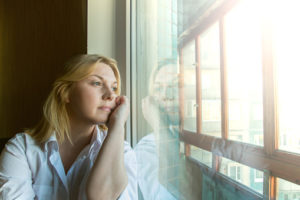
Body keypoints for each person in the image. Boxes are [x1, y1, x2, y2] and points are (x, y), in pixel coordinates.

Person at [0, 54, 137, 200]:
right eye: (97, 83)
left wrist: (117, 126)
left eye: (114, 87)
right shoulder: (21, 149)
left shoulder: (123, 153)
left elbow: (102, 197)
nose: (111, 95)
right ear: (65, 92)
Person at [134, 61, 181, 200]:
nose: (166, 95)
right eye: (159, 89)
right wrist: (160, 125)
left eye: (176, 86)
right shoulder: (147, 148)